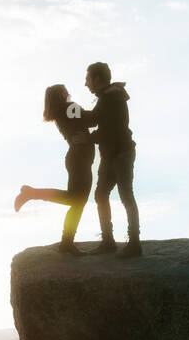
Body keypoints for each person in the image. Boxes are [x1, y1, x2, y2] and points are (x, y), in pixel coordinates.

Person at [13, 84, 95, 255]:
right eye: (65, 91)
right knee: (76, 200)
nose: (69, 92)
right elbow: (91, 119)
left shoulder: (61, 112)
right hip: (79, 158)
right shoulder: (70, 108)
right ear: (61, 95)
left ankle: (66, 242)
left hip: (77, 158)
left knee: (76, 201)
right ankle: (32, 194)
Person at [80, 61, 141, 257]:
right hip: (112, 153)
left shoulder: (110, 98)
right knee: (102, 195)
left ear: (97, 79)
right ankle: (109, 241)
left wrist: (86, 137)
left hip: (120, 153)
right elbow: (96, 119)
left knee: (125, 196)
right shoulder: (109, 96)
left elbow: (106, 127)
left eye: (88, 79)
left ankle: (133, 244)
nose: (86, 83)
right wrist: (72, 112)